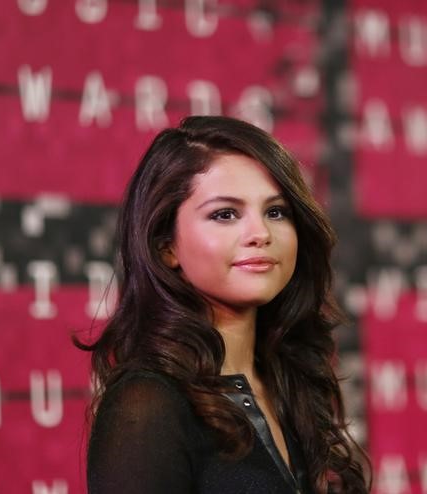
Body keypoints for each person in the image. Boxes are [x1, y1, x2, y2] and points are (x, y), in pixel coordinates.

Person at [77, 116, 369, 493]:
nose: (260, 234)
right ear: (166, 246)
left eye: (276, 212)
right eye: (225, 214)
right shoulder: (148, 405)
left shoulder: (290, 381)